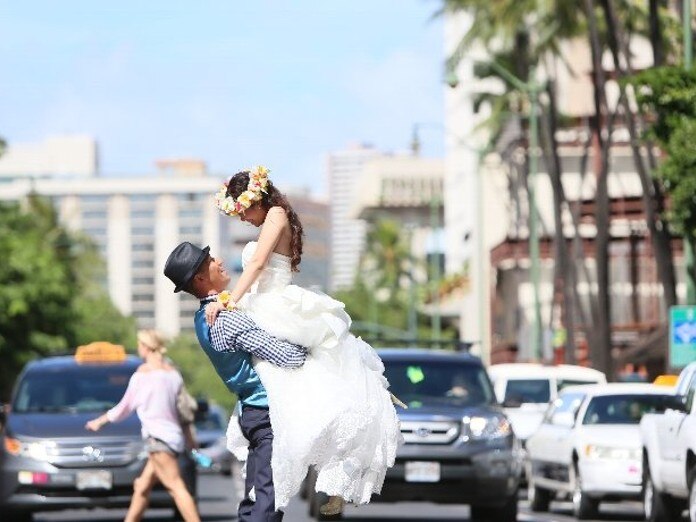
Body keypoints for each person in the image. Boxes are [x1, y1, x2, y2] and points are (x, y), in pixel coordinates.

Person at [206, 166, 402, 515]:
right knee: (298, 399)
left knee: (310, 392)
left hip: (275, 303)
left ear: (257, 199)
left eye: (244, 210)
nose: (244, 219)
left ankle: (327, 474)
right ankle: (282, 478)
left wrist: (228, 300)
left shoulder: (276, 214)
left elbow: (256, 265)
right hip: (263, 301)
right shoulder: (273, 216)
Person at [164, 241, 309, 522]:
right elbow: (290, 357)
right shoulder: (226, 319)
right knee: (267, 501)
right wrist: (311, 343)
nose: (219, 260)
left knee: (256, 498)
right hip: (266, 413)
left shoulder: (204, 317)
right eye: (210, 260)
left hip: (253, 412)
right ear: (201, 278)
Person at [85, 330, 200, 522]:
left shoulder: (142, 375)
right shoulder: (173, 375)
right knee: (142, 486)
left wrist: (100, 421)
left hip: (158, 439)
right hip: (172, 438)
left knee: (176, 487)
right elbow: (184, 411)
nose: (138, 348)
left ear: (146, 347)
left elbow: (124, 407)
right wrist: (191, 440)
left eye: (140, 344)